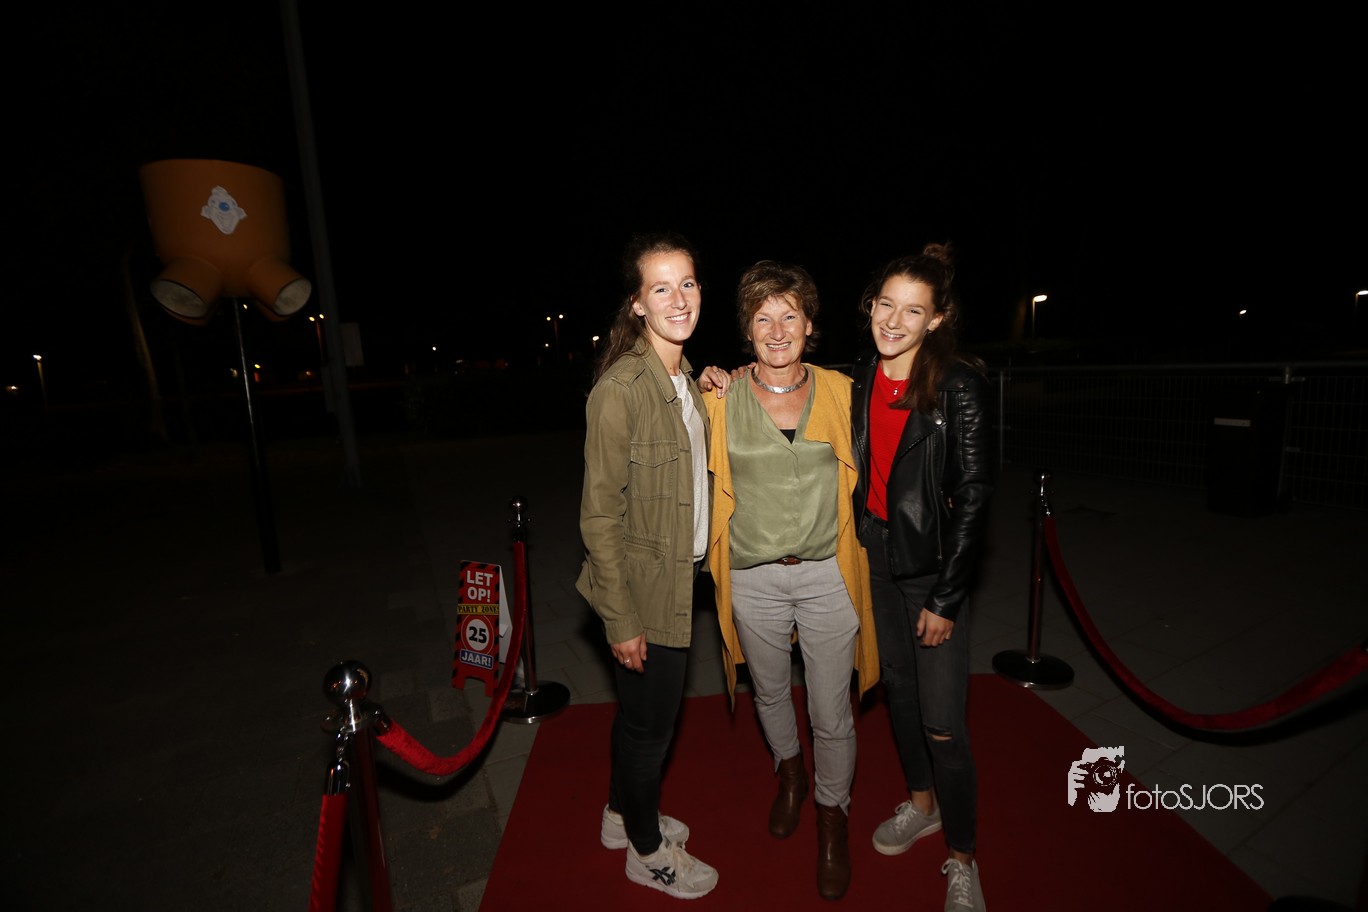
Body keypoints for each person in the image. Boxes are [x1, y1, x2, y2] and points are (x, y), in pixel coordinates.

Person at [701, 260, 877, 901]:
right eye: (762, 318)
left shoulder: (843, 392)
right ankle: (791, 774)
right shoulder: (720, 398)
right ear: (747, 331)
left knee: (832, 713)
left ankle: (833, 817)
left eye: (789, 316)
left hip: (829, 575)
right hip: (752, 579)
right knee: (771, 693)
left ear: (809, 325)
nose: (777, 330)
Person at [576, 231, 730, 900]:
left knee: (638, 722)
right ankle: (645, 850)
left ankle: (620, 816)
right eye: (661, 287)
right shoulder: (621, 390)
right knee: (650, 732)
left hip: (679, 576)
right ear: (637, 303)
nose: (679, 298)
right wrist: (621, 619)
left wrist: (714, 383)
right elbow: (598, 517)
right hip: (642, 591)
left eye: (687, 283)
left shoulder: (684, 380)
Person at [851, 243, 994, 912]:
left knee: (943, 725)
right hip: (876, 559)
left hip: (932, 571)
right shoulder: (859, 378)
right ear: (870, 306)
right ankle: (921, 805)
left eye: (913, 311)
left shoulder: (957, 385)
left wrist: (946, 597)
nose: (893, 320)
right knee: (900, 697)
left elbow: (975, 495)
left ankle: (963, 860)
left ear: (936, 320)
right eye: (886, 305)